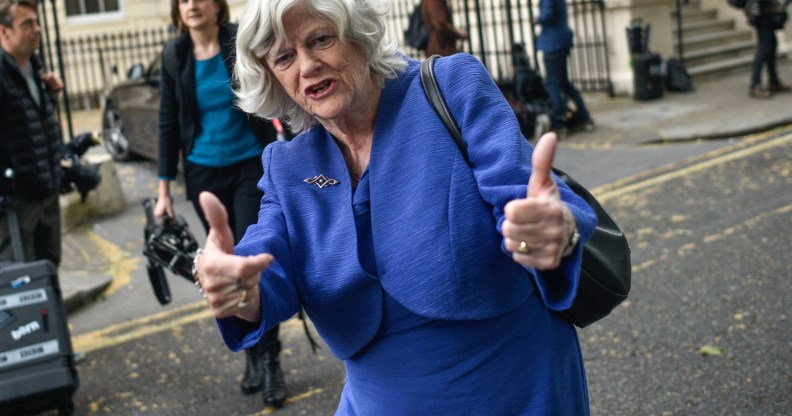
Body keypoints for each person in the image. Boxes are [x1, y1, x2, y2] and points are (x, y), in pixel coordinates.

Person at [194, 0, 597, 414]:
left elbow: (522, 192)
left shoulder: (450, 88)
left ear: (358, 36)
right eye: (284, 57)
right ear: (272, 79)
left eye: (320, 40)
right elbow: (268, 258)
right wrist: (238, 286)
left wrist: (552, 230)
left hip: (513, 388)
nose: (307, 65)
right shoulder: (288, 165)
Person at [154, 0, 287, 407]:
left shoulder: (236, 41)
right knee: (224, 262)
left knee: (247, 258)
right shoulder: (174, 55)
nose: (192, 5)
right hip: (203, 175)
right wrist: (164, 190)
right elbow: (167, 119)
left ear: (216, 6)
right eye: (184, 0)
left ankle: (271, 362)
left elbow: (265, 90)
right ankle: (251, 351)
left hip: (248, 166)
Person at [0, 0, 65, 266]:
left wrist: (52, 97)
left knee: (49, 269)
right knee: (20, 281)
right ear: (4, 32)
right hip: (17, 201)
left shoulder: (36, 69)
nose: (36, 29)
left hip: (46, 192)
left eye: (36, 22)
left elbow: (33, 125)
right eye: (27, 24)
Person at [535, 0, 594, 138]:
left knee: (553, 83)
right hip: (562, 41)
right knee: (563, 82)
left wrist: (538, 18)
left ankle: (558, 123)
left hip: (553, 44)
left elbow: (548, 14)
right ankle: (584, 116)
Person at [745, 0, 790, 98]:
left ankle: (773, 81)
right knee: (764, 49)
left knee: (771, 46)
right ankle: (755, 85)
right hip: (762, 16)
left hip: (767, 15)